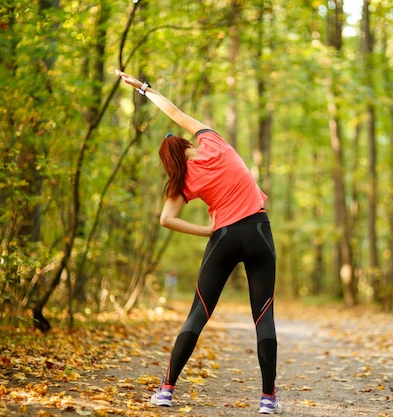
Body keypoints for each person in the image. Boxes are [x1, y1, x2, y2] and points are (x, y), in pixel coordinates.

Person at [116, 69, 282, 415]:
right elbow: (175, 113)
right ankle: (268, 400)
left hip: (222, 237)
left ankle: (166, 390)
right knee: (263, 316)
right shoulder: (214, 143)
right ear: (189, 144)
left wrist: (207, 232)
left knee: (198, 314)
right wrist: (144, 88)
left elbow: (166, 219)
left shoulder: (183, 180)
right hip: (258, 231)